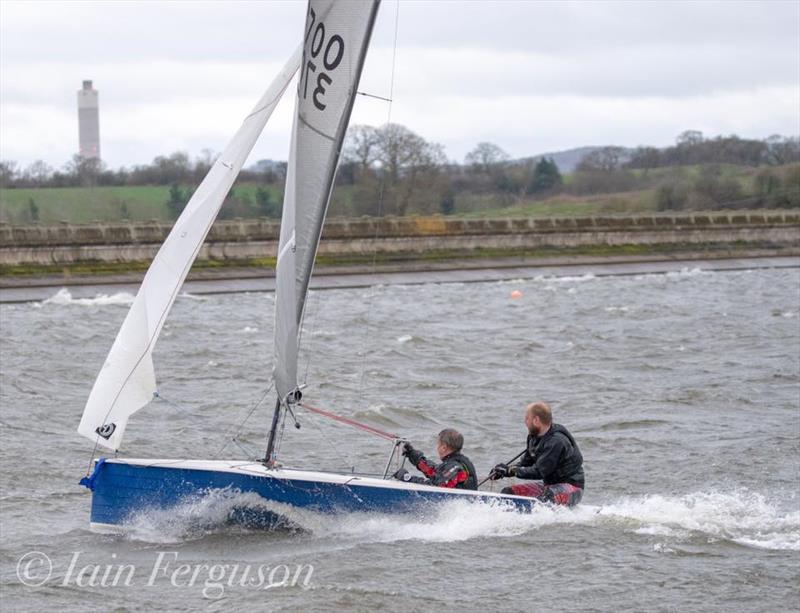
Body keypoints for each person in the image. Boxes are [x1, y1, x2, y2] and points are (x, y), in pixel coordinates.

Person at [490, 402, 584, 506]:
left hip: (572, 488)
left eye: (527, 418)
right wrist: (504, 470)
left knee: (547, 497)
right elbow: (525, 464)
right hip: (548, 486)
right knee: (508, 493)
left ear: (536, 420)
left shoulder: (557, 441)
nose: (525, 421)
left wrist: (511, 471)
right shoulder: (533, 437)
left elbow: (539, 471)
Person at [393, 428, 478, 490]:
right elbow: (434, 472)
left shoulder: (455, 466)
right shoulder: (454, 462)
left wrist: (407, 479)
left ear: (444, 448)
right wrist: (413, 455)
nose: (437, 447)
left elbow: (436, 488)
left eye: (438, 444)